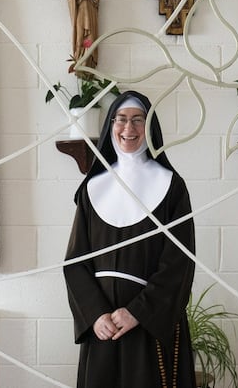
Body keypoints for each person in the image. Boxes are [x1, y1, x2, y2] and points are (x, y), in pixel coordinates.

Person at [63, 91, 197, 388]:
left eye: (139, 120)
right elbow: (75, 263)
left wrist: (138, 311)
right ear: (111, 125)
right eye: (121, 120)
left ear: (150, 127)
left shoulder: (172, 187)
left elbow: (179, 264)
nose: (129, 128)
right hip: (104, 328)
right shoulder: (92, 188)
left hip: (149, 325)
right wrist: (96, 315)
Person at [68, 0, 99, 71]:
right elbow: (70, 0)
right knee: (80, 36)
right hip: (80, 12)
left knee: (89, 35)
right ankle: (79, 57)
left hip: (89, 11)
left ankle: (88, 59)